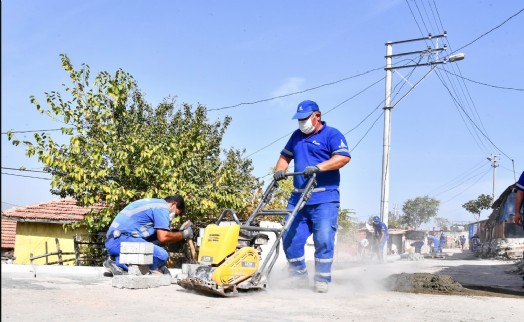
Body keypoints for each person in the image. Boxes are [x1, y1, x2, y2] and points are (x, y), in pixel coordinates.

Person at [273, 100, 351, 293]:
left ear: (317, 116)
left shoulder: (332, 134)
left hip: (324, 198)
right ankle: (298, 277)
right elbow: (284, 157)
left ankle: (322, 279)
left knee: (324, 237)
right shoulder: (296, 136)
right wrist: (280, 170)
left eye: (305, 118)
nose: (302, 122)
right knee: (289, 237)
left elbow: (343, 157)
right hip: (298, 199)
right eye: (299, 119)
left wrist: (318, 167)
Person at [103, 195, 193, 276]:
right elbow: (163, 237)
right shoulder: (162, 208)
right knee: (162, 256)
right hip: (119, 240)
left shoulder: (155, 204)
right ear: (173, 204)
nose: (174, 217)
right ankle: (118, 262)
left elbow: (159, 237)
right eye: (176, 214)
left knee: (156, 239)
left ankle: (116, 258)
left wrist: (177, 232)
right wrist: (184, 234)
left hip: (116, 239)